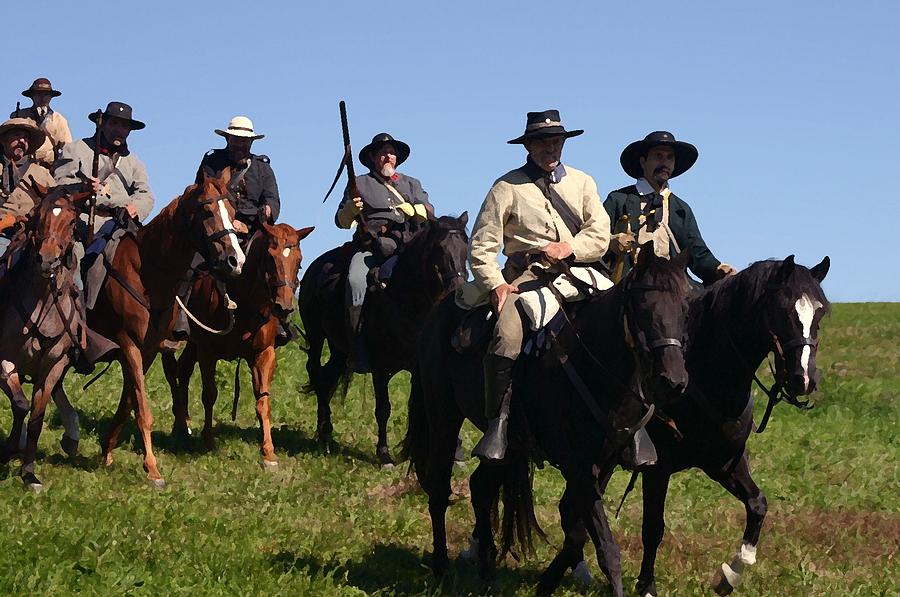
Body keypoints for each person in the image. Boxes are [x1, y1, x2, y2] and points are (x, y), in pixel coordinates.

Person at [468, 110, 610, 461]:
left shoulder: (583, 182)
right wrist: (496, 284)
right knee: (508, 332)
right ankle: (497, 423)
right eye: (543, 141)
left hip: (581, 273)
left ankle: (633, 422)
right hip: (529, 277)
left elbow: (600, 232)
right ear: (529, 145)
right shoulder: (506, 187)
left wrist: (571, 247)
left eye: (556, 140)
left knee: (628, 320)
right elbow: (482, 244)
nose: (551, 147)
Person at [170, 116, 282, 343]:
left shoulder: (262, 169)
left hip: (252, 228)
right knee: (190, 264)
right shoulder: (212, 162)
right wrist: (229, 223)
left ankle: (278, 320)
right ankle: (180, 317)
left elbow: (273, 199)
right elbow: (204, 194)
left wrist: (267, 212)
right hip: (217, 226)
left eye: (244, 140)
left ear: (251, 143)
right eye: (236, 139)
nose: (240, 144)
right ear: (228, 138)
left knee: (275, 262)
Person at [334, 132, 433, 371]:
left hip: (407, 246)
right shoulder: (359, 183)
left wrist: (415, 210)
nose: (388, 157)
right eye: (382, 153)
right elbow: (340, 221)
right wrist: (349, 210)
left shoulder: (411, 184)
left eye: (392, 153)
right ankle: (357, 347)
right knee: (355, 281)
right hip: (372, 247)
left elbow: (430, 211)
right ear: (372, 157)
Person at [604, 131, 735, 284]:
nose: (665, 163)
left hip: (671, 287)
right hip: (627, 284)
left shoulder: (681, 209)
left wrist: (718, 268)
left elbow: (696, 252)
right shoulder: (619, 199)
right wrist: (612, 241)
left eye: (669, 157)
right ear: (643, 162)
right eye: (658, 156)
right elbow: (595, 237)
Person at [0, 118, 54, 260]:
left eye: (26, 138)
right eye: (17, 136)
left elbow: (56, 204)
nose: (22, 141)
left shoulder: (43, 174)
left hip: (31, 237)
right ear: (4, 140)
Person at [12, 78, 72, 169]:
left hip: (49, 169)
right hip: (22, 167)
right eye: (39, 93)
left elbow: (67, 149)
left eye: (46, 94)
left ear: (51, 97)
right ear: (32, 96)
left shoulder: (59, 120)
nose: (42, 97)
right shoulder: (20, 116)